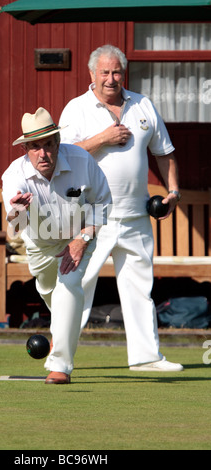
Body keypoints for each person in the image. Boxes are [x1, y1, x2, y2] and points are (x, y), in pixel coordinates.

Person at [59, 44, 183, 372]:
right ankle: (60, 359)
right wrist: (103, 138)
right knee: (77, 289)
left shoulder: (143, 105)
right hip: (92, 218)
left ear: (123, 73)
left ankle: (146, 358)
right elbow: (63, 154)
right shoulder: (76, 109)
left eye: (116, 72)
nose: (111, 79)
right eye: (105, 72)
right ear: (92, 75)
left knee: (140, 289)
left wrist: (173, 191)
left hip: (137, 214)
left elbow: (165, 152)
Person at [2, 107, 112, 384]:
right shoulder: (14, 176)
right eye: (35, 146)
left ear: (57, 143)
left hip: (78, 238)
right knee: (53, 295)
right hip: (39, 245)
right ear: (26, 148)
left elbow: (102, 202)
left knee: (69, 285)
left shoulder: (82, 160)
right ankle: (62, 330)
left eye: (48, 144)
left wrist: (83, 239)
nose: (43, 153)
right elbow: (14, 226)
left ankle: (60, 366)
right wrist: (17, 210)